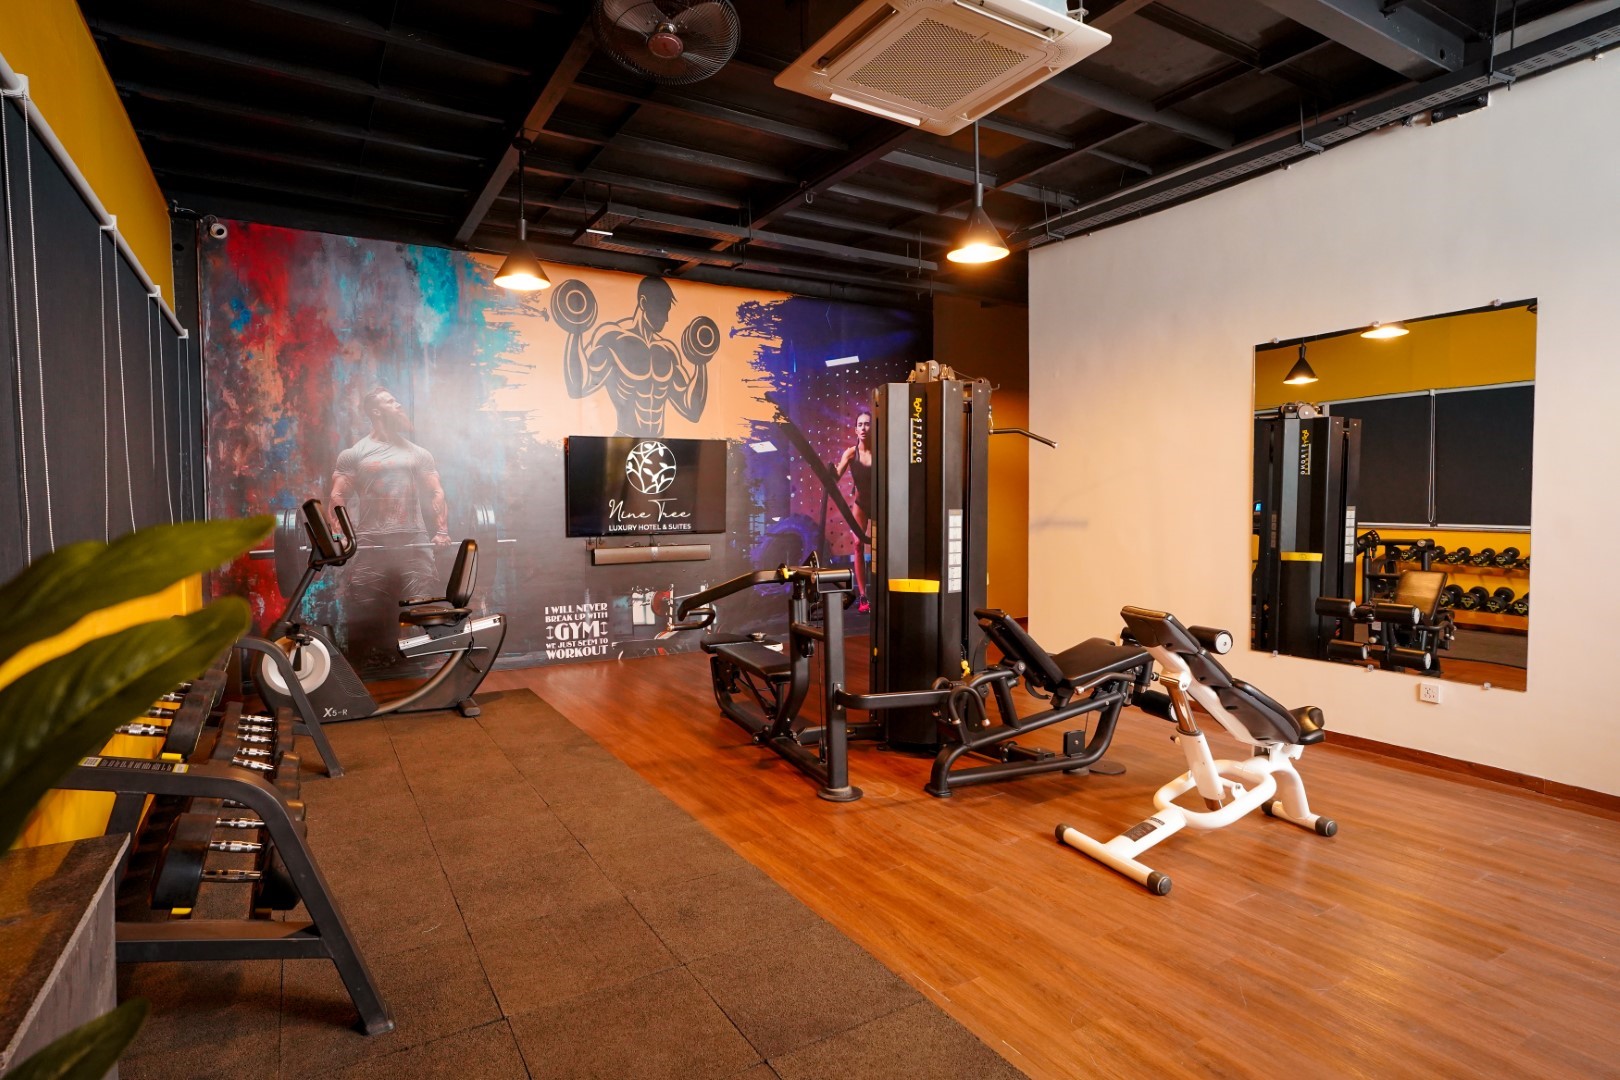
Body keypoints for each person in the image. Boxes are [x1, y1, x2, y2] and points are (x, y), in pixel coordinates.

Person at [328, 387, 451, 669]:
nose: (398, 405)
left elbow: (436, 492)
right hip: (371, 543)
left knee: (421, 602)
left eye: (397, 400)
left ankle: (421, 665)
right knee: (365, 605)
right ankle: (369, 668)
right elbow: (337, 496)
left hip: (413, 541)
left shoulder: (418, 453)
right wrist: (337, 535)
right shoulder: (354, 454)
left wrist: (442, 531)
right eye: (391, 401)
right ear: (376, 411)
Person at [563, 276, 709, 437]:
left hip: (659, 446)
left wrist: (701, 362)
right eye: (661, 310)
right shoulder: (613, 340)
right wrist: (575, 331)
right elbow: (578, 386)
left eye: (667, 311)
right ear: (643, 303)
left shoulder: (667, 351)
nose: (666, 318)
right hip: (623, 443)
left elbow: (692, 410)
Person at [833, 410, 874, 612]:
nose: (864, 428)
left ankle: (886, 590)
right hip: (861, 504)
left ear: (872, 428)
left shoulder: (881, 452)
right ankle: (863, 596)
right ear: (856, 429)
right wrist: (829, 472)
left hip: (880, 503)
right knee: (858, 545)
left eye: (867, 424)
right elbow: (836, 476)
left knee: (883, 549)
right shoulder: (851, 453)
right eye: (860, 424)